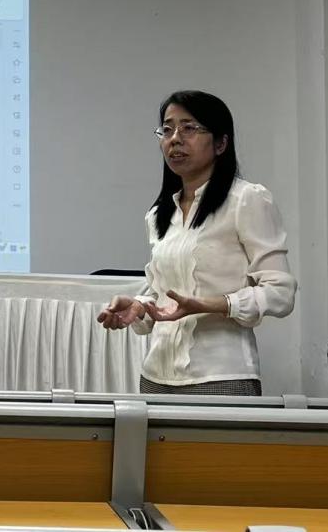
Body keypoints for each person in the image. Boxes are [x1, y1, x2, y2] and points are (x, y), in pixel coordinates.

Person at [97, 90, 296, 395]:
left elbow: (280, 293)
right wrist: (140, 305)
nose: (175, 139)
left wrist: (209, 305)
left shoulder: (246, 200)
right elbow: (163, 293)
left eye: (188, 128)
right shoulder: (159, 214)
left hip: (221, 377)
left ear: (221, 143)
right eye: (167, 130)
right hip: (156, 377)